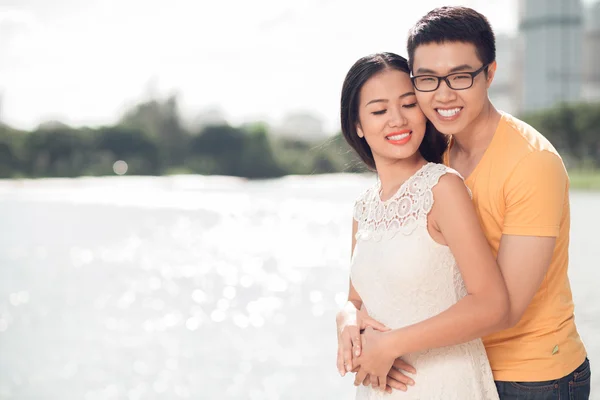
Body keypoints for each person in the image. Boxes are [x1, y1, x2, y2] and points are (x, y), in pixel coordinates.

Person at [338, 6, 591, 400]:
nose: (443, 94)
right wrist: (348, 315)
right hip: (446, 367)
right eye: (427, 79)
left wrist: (389, 344)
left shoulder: (531, 163)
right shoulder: (439, 153)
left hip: (531, 374)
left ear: (490, 73)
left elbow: (502, 309)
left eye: (460, 76)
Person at [336, 51, 509, 399]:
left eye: (409, 104)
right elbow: (357, 299)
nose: (397, 120)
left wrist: (389, 345)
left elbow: (493, 304)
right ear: (357, 125)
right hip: (380, 388)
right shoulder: (364, 208)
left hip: (444, 383)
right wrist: (345, 318)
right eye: (379, 110)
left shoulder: (443, 188)